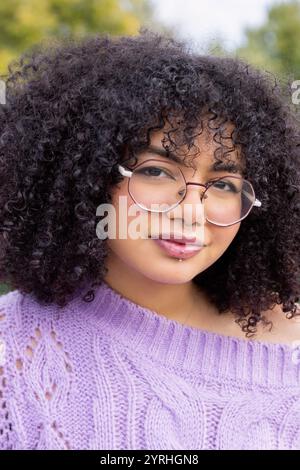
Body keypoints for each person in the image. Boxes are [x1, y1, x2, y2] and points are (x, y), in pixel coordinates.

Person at [0, 28, 299, 450]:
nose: (192, 213)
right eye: (156, 171)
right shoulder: (12, 351)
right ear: (87, 175)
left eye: (225, 184)